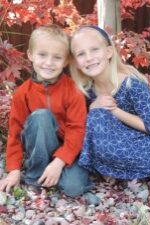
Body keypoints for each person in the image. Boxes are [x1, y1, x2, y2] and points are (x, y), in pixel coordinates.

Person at [0, 24, 93, 197]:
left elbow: (78, 130)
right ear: (30, 55)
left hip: (68, 149)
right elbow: (15, 132)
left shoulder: (72, 90)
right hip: (39, 147)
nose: (49, 63)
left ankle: (53, 172)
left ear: (65, 61)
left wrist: (59, 162)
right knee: (41, 116)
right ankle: (35, 176)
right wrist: (13, 169)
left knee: (74, 189)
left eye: (57, 57)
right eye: (42, 55)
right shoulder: (23, 93)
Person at [70, 25, 150, 200]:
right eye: (81, 54)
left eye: (94, 49)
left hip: (146, 144)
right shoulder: (87, 91)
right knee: (94, 116)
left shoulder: (132, 85)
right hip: (118, 145)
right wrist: (94, 106)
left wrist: (114, 110)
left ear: (109, 52)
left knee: (97, 116)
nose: (89, 58)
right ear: (76, 64)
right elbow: (80, 126)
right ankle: (120, 170)